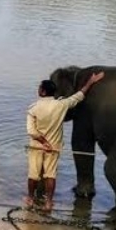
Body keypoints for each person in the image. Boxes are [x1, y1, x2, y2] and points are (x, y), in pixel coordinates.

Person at [26, 71, 105, 211]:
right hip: (54, 147)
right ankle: (48, 202)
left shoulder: (33, 109)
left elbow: (32, 132)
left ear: (43, 92)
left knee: (33, 174)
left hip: (37, 147)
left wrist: (43, 143)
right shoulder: (61, 105)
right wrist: (91, 82)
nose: (38, 90)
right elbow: (79, 95)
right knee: (50, 175)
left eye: (39, 88)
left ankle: (31, 199)